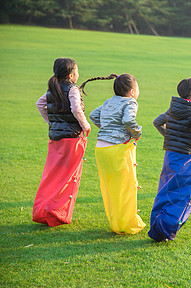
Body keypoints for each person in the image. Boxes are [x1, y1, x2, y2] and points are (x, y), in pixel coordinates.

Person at [82, 73, 146, 234]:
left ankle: (116, 223)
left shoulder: (108, 102)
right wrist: (136, 133)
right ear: (132, 91)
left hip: (101, 149)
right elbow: (128, 121)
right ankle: (126, 225)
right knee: (125, 188)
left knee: (110, 189)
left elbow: (93, 115)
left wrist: (106, 129)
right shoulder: (131, 102)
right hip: (116, 149)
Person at [148, 77, 191, 242]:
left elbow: (157, 122)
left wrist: (169, 137)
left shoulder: (172, 109)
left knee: (165, 190)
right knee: (183, 194)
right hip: (185, 158)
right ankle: (165, 230)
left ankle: (156, 226)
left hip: (170, 156)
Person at [34, 57, 91, 226]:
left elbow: (39, 104)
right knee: (68, 177)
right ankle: (57, 213)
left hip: (55, 139)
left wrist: (52, 123)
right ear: (72, 74)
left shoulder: (53, 89)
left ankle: (43, 210)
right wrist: (85, 125)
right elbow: (76, 109)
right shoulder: (73, 89)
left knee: (52, 175)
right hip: (72, 139)